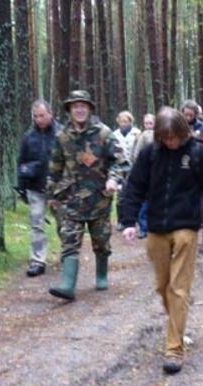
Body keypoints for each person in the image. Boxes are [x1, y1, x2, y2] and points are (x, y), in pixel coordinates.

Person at [120, 107, 203, 375]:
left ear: (182, 132)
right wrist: (129, 221)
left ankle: (174, 349)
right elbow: (135, 186)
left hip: (186, 227)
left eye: (174, 137)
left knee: (178, 288)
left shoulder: (198, 153)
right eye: (165, 138)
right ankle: (179, 316)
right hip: (156, 228)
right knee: (163, 286)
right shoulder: (150, 153)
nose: (170, 142)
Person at [46, 90, 129, 301]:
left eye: (83, 106)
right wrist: (51, 194)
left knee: (101, 242)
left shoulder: (103, 133)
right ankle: (67, 285)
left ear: (90, 109)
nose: (79, 110)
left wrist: (113, 179)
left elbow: (120, 162)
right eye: (75, 106)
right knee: (69, 241)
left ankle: (101, 274)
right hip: (71, 200)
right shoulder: (62, 136)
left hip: (99, 198)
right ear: (70, 110)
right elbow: (55, 168)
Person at [16, 99, 63, 277]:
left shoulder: (62, 134)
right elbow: (21, 162)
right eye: (36, 116)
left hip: (58, 188)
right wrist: (22, 187)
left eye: (42, 115)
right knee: (36, 225)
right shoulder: (28, 137)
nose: (39, 119)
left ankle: (67, 254)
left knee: (63, 224)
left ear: (50, 114)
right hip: (35, 187)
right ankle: (38, 260)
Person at [112, 111, 142, 231]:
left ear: (130, 121)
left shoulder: (137, 133)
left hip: (134, 167)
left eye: (126, 121)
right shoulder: (114, 134)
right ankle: (121, 220)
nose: (124, 124)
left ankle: (135, 220)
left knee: (133, 193)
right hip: (119, 168)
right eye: (121, 121)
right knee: (120, 195)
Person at [130, 113, 156, 239]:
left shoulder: (159, 135)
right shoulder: (141, 136)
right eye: (147, 123)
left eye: (151, 123)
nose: (149, 126)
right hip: (145, 173)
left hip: (156, 174)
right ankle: (143, 227)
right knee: (144, 201)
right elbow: (135, 153)